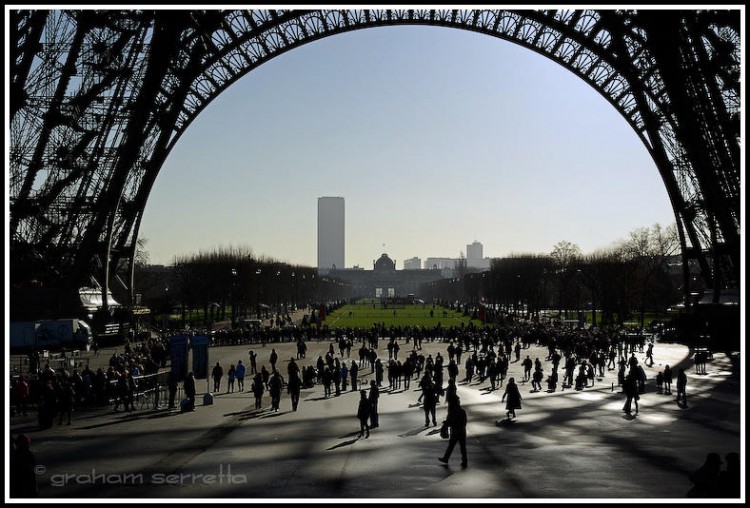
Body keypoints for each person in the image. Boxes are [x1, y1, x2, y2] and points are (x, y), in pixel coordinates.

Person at [438, 396, 468, 468]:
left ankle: (446, 458)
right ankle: (464, 461)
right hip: (462, 431)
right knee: (462, 447)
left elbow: (450, 421)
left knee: (451, 446)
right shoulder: (462, 411)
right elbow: (464, 422)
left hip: (455, 431)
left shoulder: (452, 411)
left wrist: (445, 423)